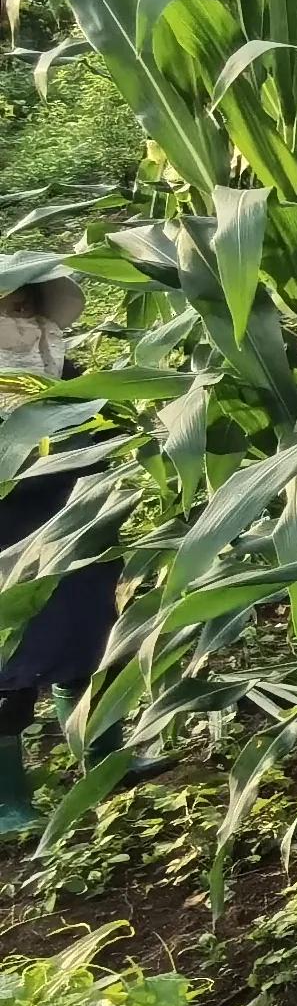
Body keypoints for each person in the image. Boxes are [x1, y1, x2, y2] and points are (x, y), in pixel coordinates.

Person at [0, 274, 107, 836]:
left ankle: (104, 758)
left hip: (75, 527)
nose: (20, 321)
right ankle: (6, 801)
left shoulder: (59, 365)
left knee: (85, 641)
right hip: (8, 544)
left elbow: (102, 427)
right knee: (9, 667)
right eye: (7, 309)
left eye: (25, 306)